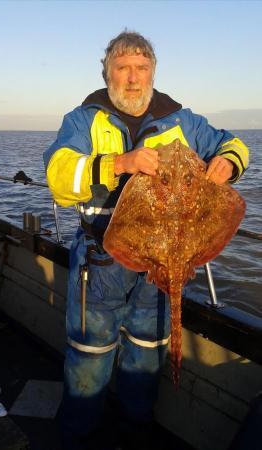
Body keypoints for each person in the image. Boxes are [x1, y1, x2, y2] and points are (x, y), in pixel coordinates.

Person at [43, 31, 249, 450]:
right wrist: (120, 163)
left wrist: (227, 162)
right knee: (90, 354)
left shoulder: (183, 120)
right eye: (123, 68)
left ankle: (135, 431)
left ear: (153, 72)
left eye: (141, 68)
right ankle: (78, 437)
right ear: (107, 73)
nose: (133, 78)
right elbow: (58, 176)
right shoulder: (84, 120)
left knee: (147, 349)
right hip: (101, 260)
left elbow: (234, 144)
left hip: (165, 263)